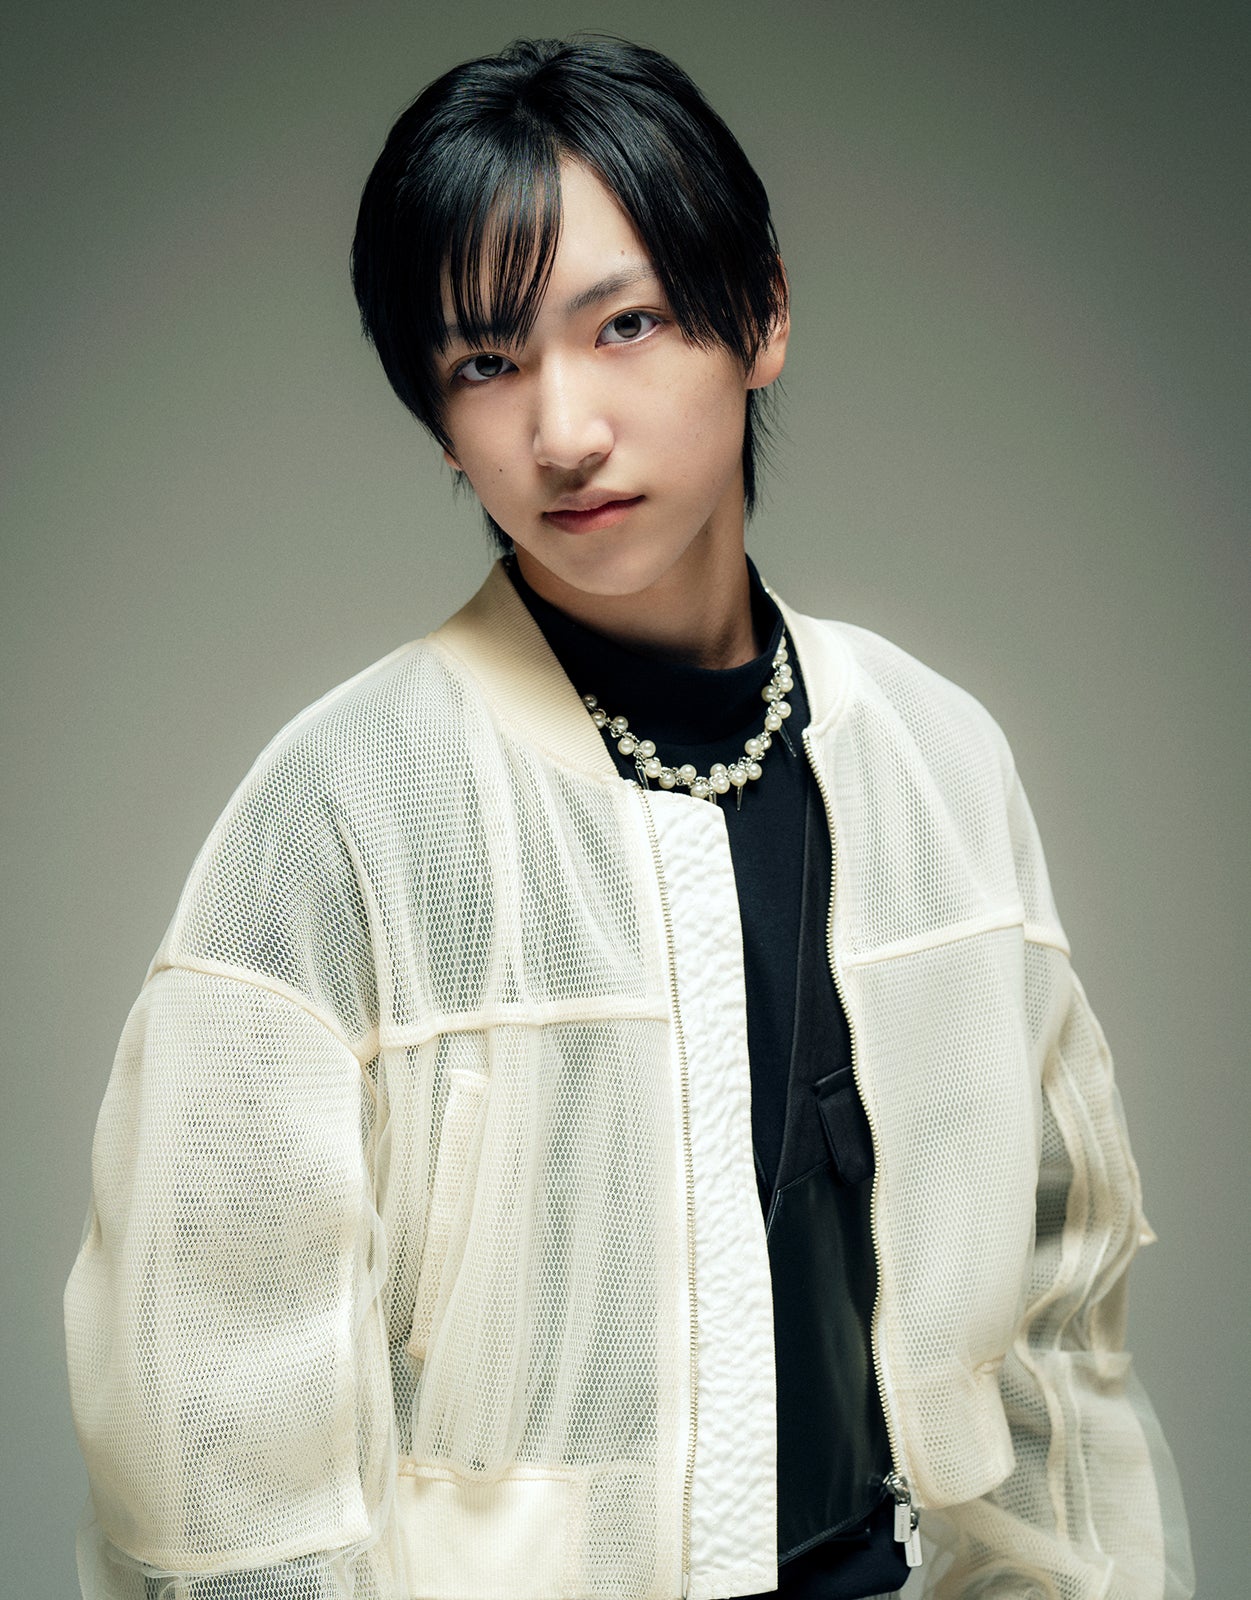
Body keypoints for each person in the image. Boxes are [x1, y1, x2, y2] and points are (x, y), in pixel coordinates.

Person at [64, 33, 1194, 1600]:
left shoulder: (936, 757)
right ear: (435, 414)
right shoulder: (345, 806)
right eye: (486, 362)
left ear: (763, 315)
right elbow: (215, 1446)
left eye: (626, 324)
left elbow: (1056, 1323)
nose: (564, 430)